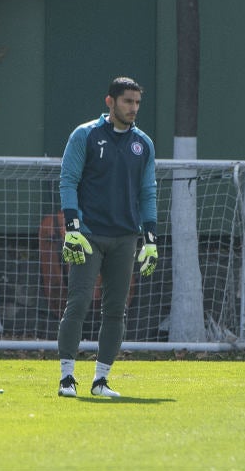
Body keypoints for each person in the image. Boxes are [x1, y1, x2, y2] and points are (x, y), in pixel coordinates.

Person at [56, 76, 158, 398]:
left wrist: (151, 239)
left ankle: (101, 381)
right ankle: (67, 378)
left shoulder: (144, 144)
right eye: (128, 101)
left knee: (116, 310)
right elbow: (68, 181)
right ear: (110, 102)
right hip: (88, 236)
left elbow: (148, 193)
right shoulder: (84, 135)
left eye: (137, 102)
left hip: (125, 238)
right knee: (79, 302)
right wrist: (72, 228)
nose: (133, 108)